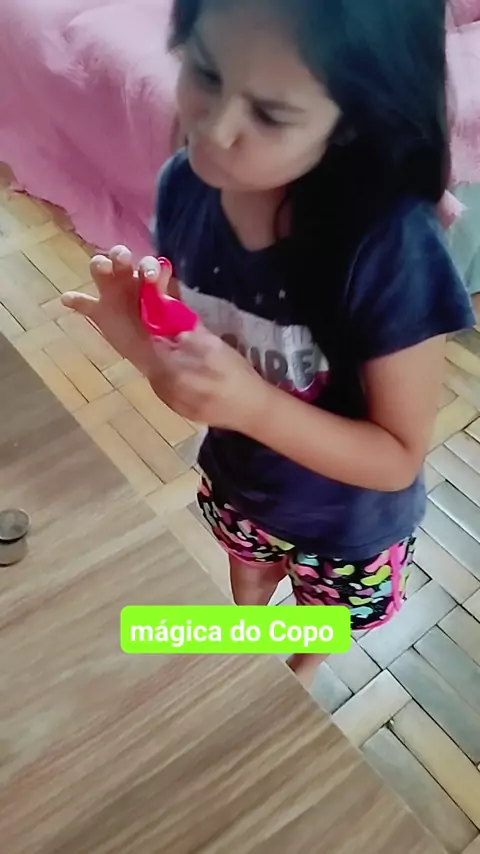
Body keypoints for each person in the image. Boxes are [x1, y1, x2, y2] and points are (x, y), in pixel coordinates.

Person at [62, 0, 476, 689]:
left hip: (350, 525)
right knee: (247, 584)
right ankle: (251, 653)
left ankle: (298, 674)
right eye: (206, 72)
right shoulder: (188, 186)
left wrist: (253, 406)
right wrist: (143, 342)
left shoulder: (389, 250)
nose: (215, 129)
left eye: (272, 114)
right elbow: (200, 360)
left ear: (356, 119)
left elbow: (396, 457)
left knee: (322, 621)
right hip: (241, 486)